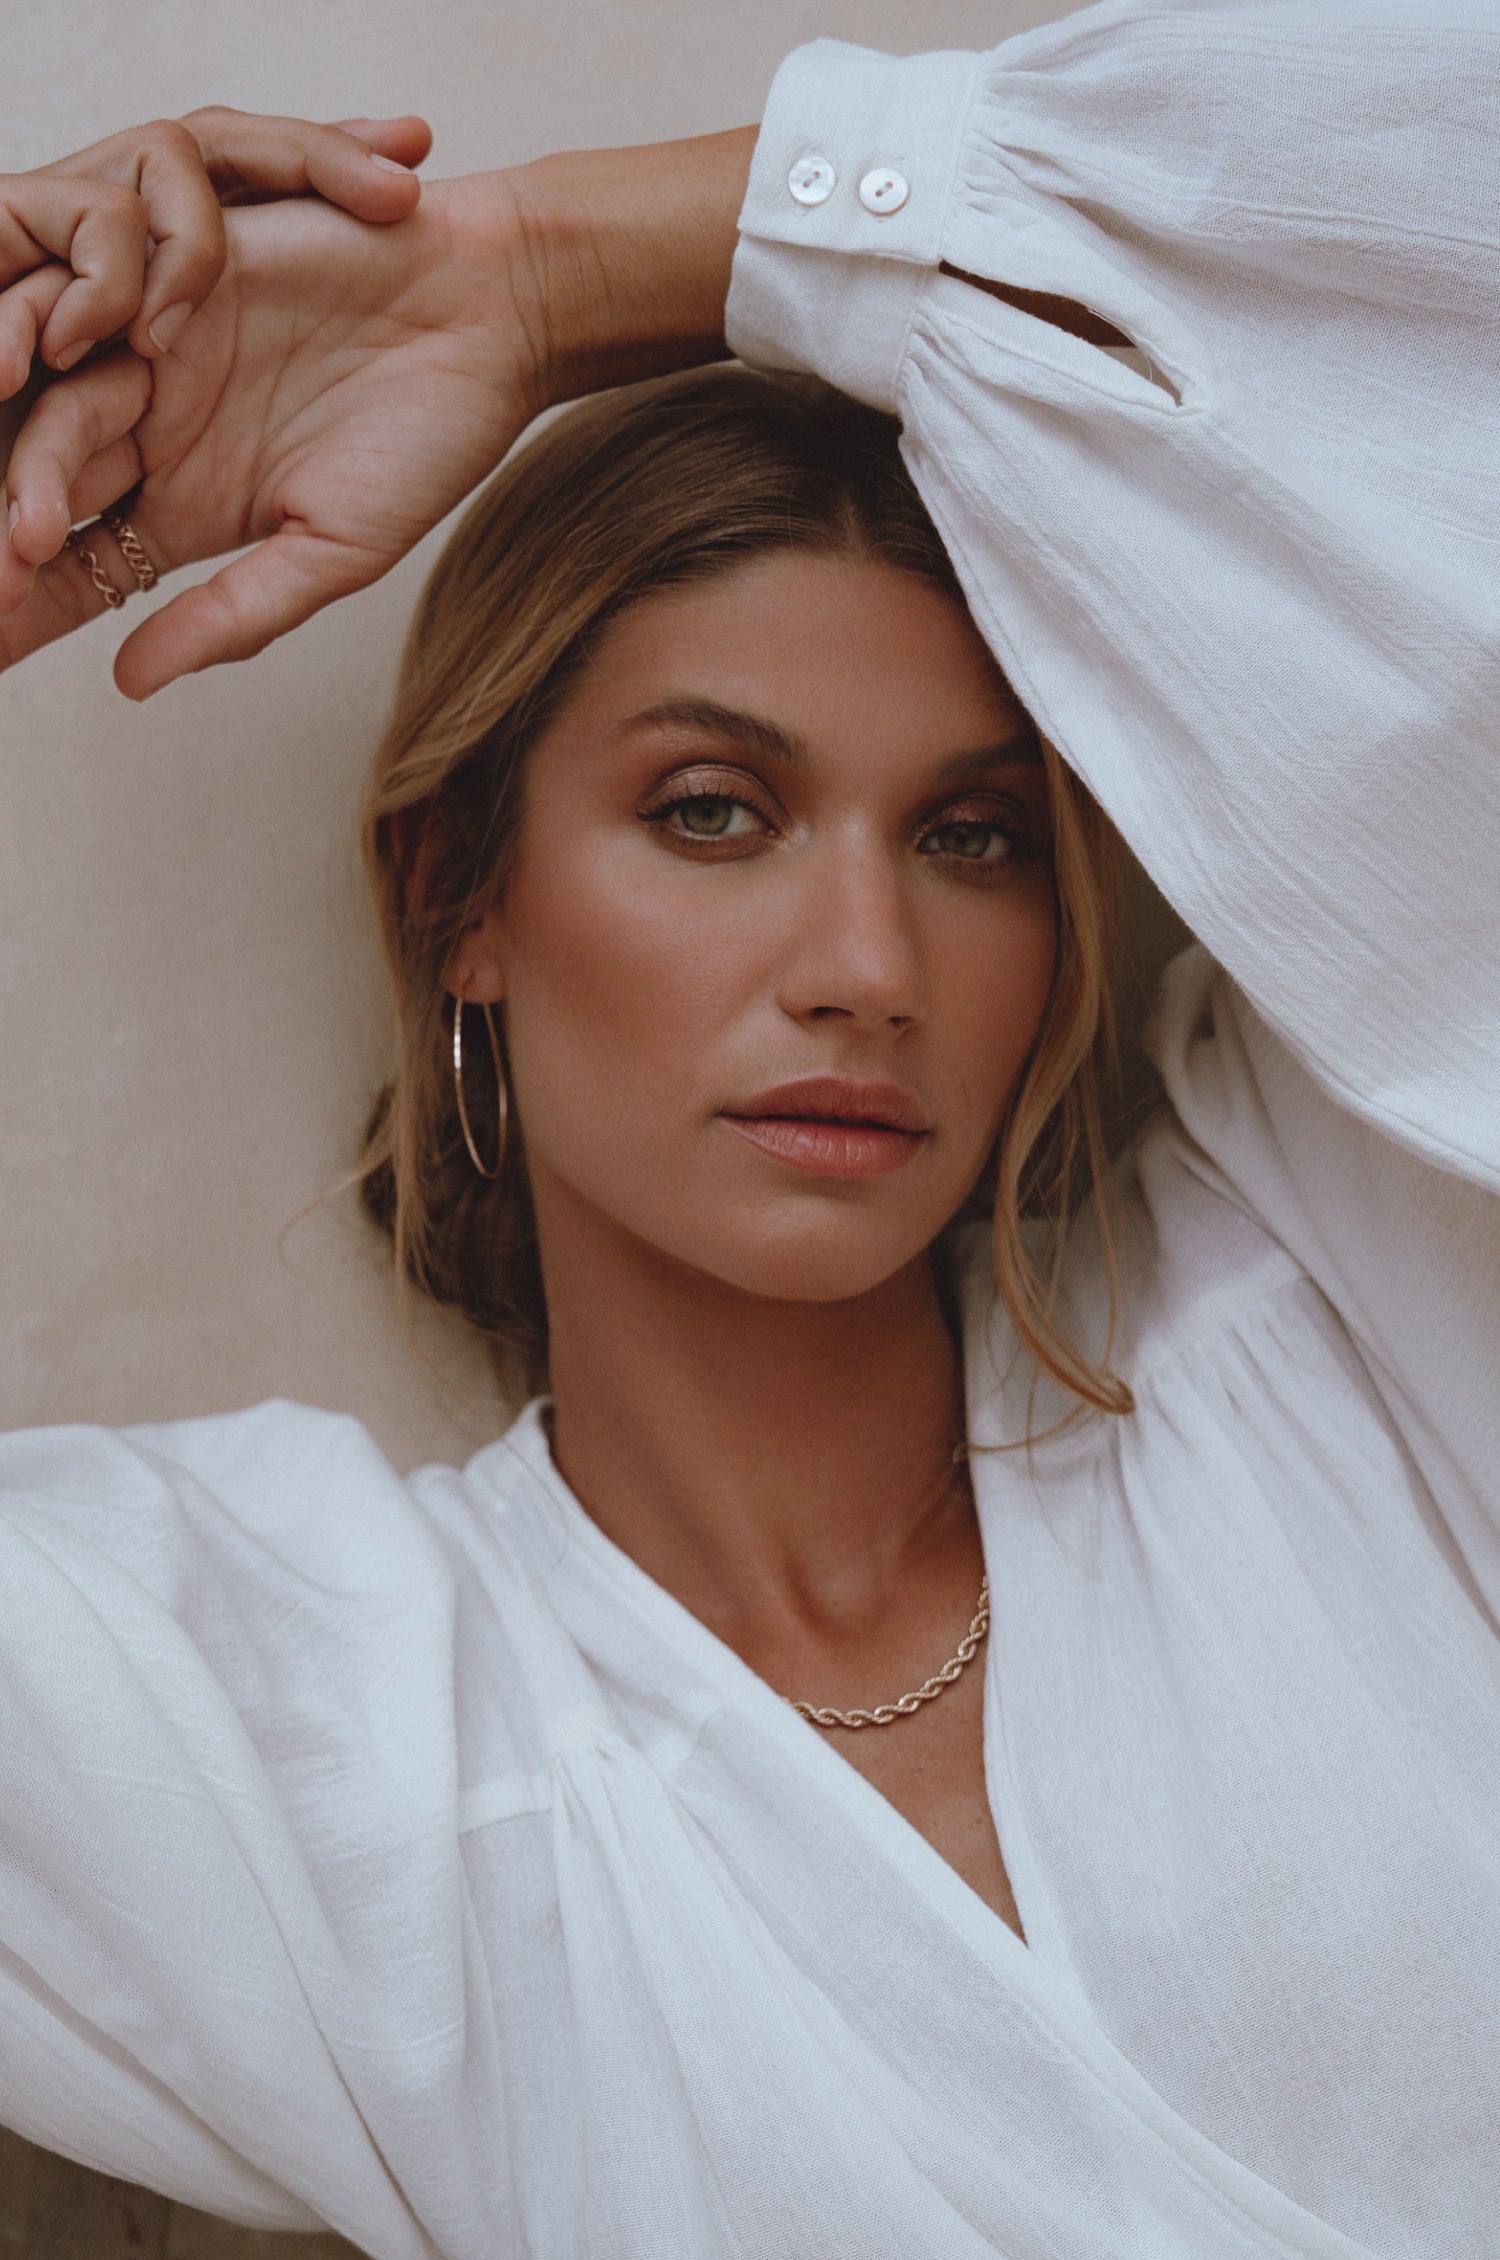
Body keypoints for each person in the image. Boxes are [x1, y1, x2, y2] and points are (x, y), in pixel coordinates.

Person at [2, 4, 1499, 2256]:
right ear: (463, 896)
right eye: (714, 810)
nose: (867, 963)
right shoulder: (315, 1724)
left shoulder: (1347, 1308)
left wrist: (546, 272)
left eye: (978, 836)